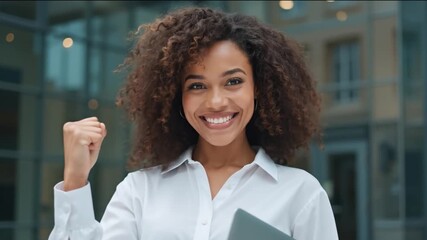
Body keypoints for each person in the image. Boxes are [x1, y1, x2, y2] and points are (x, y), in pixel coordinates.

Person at [48, 7, 338, 240]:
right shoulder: (140, 190)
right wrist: (75, 181)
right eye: (197, 86)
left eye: (233, 82)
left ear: (258, 88)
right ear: (178, 97)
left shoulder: (302, 195)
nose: (215, 102)